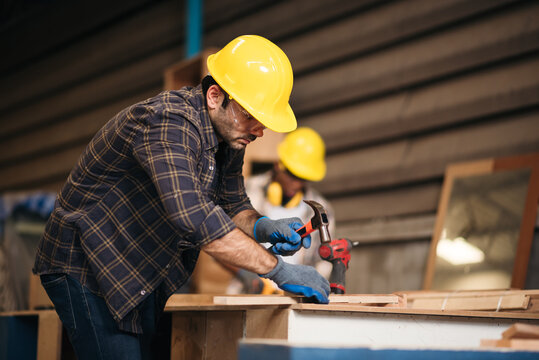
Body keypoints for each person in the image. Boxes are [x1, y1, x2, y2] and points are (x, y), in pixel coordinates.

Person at [32, 35, 329, 360]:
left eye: (263, 122)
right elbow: (194, 218)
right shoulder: (168, 123)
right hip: (85, 262)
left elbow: (232, 204)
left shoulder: (228, 135)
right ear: (215, 96)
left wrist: (262, 226)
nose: (259, 131)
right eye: (251, 116)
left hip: (135, 270)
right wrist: (277, 270)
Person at [230, 127, 335, 294]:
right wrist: (248, 274)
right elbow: (221, 237)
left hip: (293, 299)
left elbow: (323, 261)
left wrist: (306, 284)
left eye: (304, 178)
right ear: (278, 165)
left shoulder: (323, 209)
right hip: (246, 293)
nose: (297, 184)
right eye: (292, 175)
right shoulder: (247, 189)